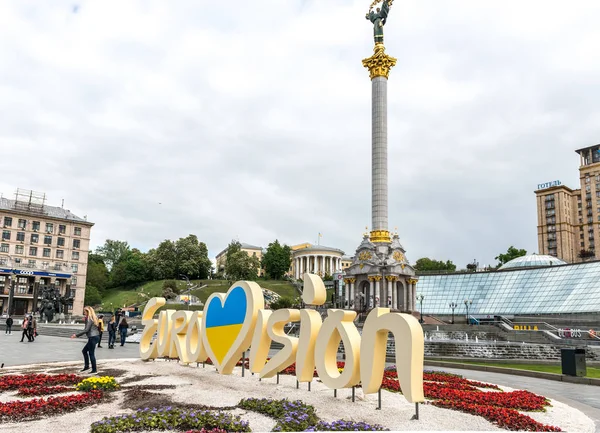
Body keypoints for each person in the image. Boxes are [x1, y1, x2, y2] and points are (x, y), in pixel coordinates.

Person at [71, 306, 100, 374]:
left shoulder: (89, 319)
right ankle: (87, 366)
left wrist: (76, 335)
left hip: (92, 337)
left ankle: (94, 369)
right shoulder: (93, 318)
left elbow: (86, 330)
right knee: (84, 351)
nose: (84, 313)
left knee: (91, 353)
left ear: (88, 312)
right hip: (95, 336)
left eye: (84, 311)